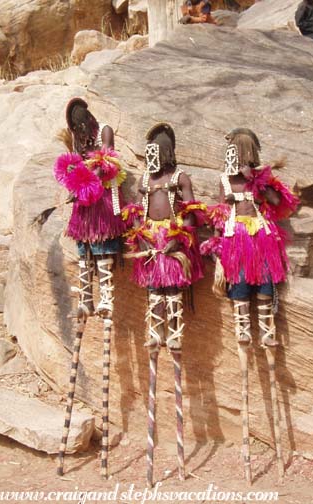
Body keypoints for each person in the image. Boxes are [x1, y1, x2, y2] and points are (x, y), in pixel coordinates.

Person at [201, 128, 299, 484]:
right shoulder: (225, 181)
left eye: (242, 151)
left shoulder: (262, 180)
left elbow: (280, 204)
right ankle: (246, 338)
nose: (239, 156)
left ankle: (268, 337)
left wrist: (261, 184)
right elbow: (219, 215)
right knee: (241, 303)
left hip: (263, 246)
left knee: (263, 305)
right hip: (236, 248)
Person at [122, 123, 208, 487]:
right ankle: (154, 332)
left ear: (167, 152)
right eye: (149, 152)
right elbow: (141, 212)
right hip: (150, 247)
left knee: (172, 292)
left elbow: (190, 216)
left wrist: (178, 238)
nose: (153, 158)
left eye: (157, 151)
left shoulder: (179, 179)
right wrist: (141, 233)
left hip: (172, 247)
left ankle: (173, 333)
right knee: (152, 293)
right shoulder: (145, 181)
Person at [53, 97, 127, 478]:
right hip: (83, 213)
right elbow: (72, 176)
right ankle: (87, 298)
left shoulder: (104, 137)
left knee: (101, 255)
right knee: (85, 256)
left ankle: (106, 298)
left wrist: (95, 166)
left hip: (102, 212)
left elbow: (112, 169)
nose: (80, 126)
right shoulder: (75, 148)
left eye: (82, 121)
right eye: (75, 123)